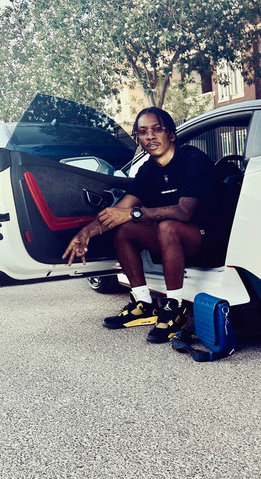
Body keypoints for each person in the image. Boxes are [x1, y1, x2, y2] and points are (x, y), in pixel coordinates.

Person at [63, 107, 228, 344]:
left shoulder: (193, 159)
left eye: (157, 129)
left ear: (171, 134)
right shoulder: (147, 171)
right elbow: (119, 212)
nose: (150, 136)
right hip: (173, 240)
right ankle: (143, 303)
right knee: (124, 228)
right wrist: (84, 233)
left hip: (210, 239)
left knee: (167, 226)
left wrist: (134, 213)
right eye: (142, 132)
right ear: (139, 139)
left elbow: (184, 212)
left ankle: (174, 308)